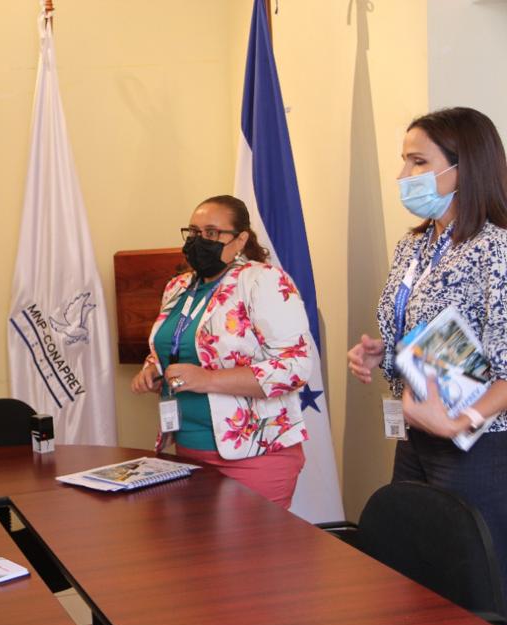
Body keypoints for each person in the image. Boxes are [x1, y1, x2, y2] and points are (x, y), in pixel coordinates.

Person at [348, 107, 507, 592]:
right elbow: (417, 330)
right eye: (404, 161)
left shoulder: (496, 250)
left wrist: (459, 421)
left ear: (465, 166)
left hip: (476, 444)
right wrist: (379, 353)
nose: (403, 176)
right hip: (417, 437)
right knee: (415, 574)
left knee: (472, 584)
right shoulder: (413, 247)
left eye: (418, 162)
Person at [131, 195, 313, 509]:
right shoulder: (178, 287)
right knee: (199, 556)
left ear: (240, 239)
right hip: (188, 450)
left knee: (249, 557)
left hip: (255, 454)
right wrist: (152, 370)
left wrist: (207, 380)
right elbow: (176, 346)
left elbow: (294, 367)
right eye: (194, 232)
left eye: (212, 233)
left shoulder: (264, 281)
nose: (200, 241)